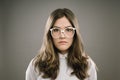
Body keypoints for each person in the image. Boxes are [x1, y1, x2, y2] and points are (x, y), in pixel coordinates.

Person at [26, 8, 97, 80]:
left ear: (75, 33)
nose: (62, 36)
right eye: (56, 30)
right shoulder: (35, 65)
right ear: (49, 34)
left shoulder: (88, 64)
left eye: (68, 29)